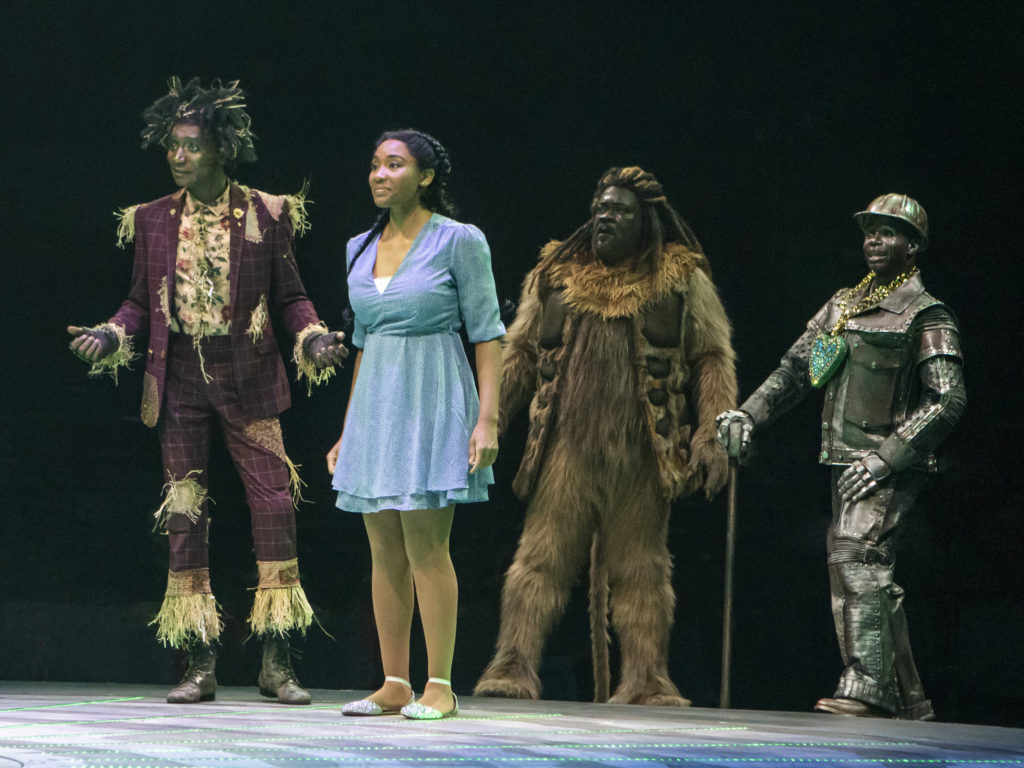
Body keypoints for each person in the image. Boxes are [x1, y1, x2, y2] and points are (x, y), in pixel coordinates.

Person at [67, 77, 347, 705]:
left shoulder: (269, 212)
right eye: (172, 146)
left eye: (190, 145)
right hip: (181, 384)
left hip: (248, 375)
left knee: (274, 508)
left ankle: (277, 662)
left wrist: (312, 341)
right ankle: (199, 663)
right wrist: (112, 337)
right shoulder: (152, 220)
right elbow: (140, 302)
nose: (178, 155)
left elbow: (292, 297)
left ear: (221, 149)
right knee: (185, 515)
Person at [473, 167, 737, 706]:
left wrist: (712, 435)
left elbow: (712, 356)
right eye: (600, 207)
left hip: (644, 452)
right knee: (538, 560)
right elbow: (520, 352)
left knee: (643, 568)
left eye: (620, 210)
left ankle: (646, 679)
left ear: (647, 220)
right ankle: (511, 665)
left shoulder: (679, 276)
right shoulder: (556, 273)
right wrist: (489, 419)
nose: (604, 217)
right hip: (565, 449)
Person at [716, 193, 965, 719]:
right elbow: (794, 372)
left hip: (886, 463)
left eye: (889, 232)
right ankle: (910, 701)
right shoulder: (842, 305)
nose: (875, 240)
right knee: (863, 568)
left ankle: (869, 686)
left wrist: (887, 457)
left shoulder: (926, 314)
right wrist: (748, 415)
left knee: (856, 554)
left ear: (913, 245)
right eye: (870, 231)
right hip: (843, 459)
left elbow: (947, 399)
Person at [326, 129, 504, 720]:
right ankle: (394, 681)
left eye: (394, 165)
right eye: (375, 165)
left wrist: (486, 420)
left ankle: (441, 685)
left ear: (425, 176)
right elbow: (362, 342)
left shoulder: (458, 240)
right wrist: (349, 429)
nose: (379, 175)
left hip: (433, 395)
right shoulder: (358, 245)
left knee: (427, 546)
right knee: (383, 551)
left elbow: (487, 333)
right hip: (377, 401)